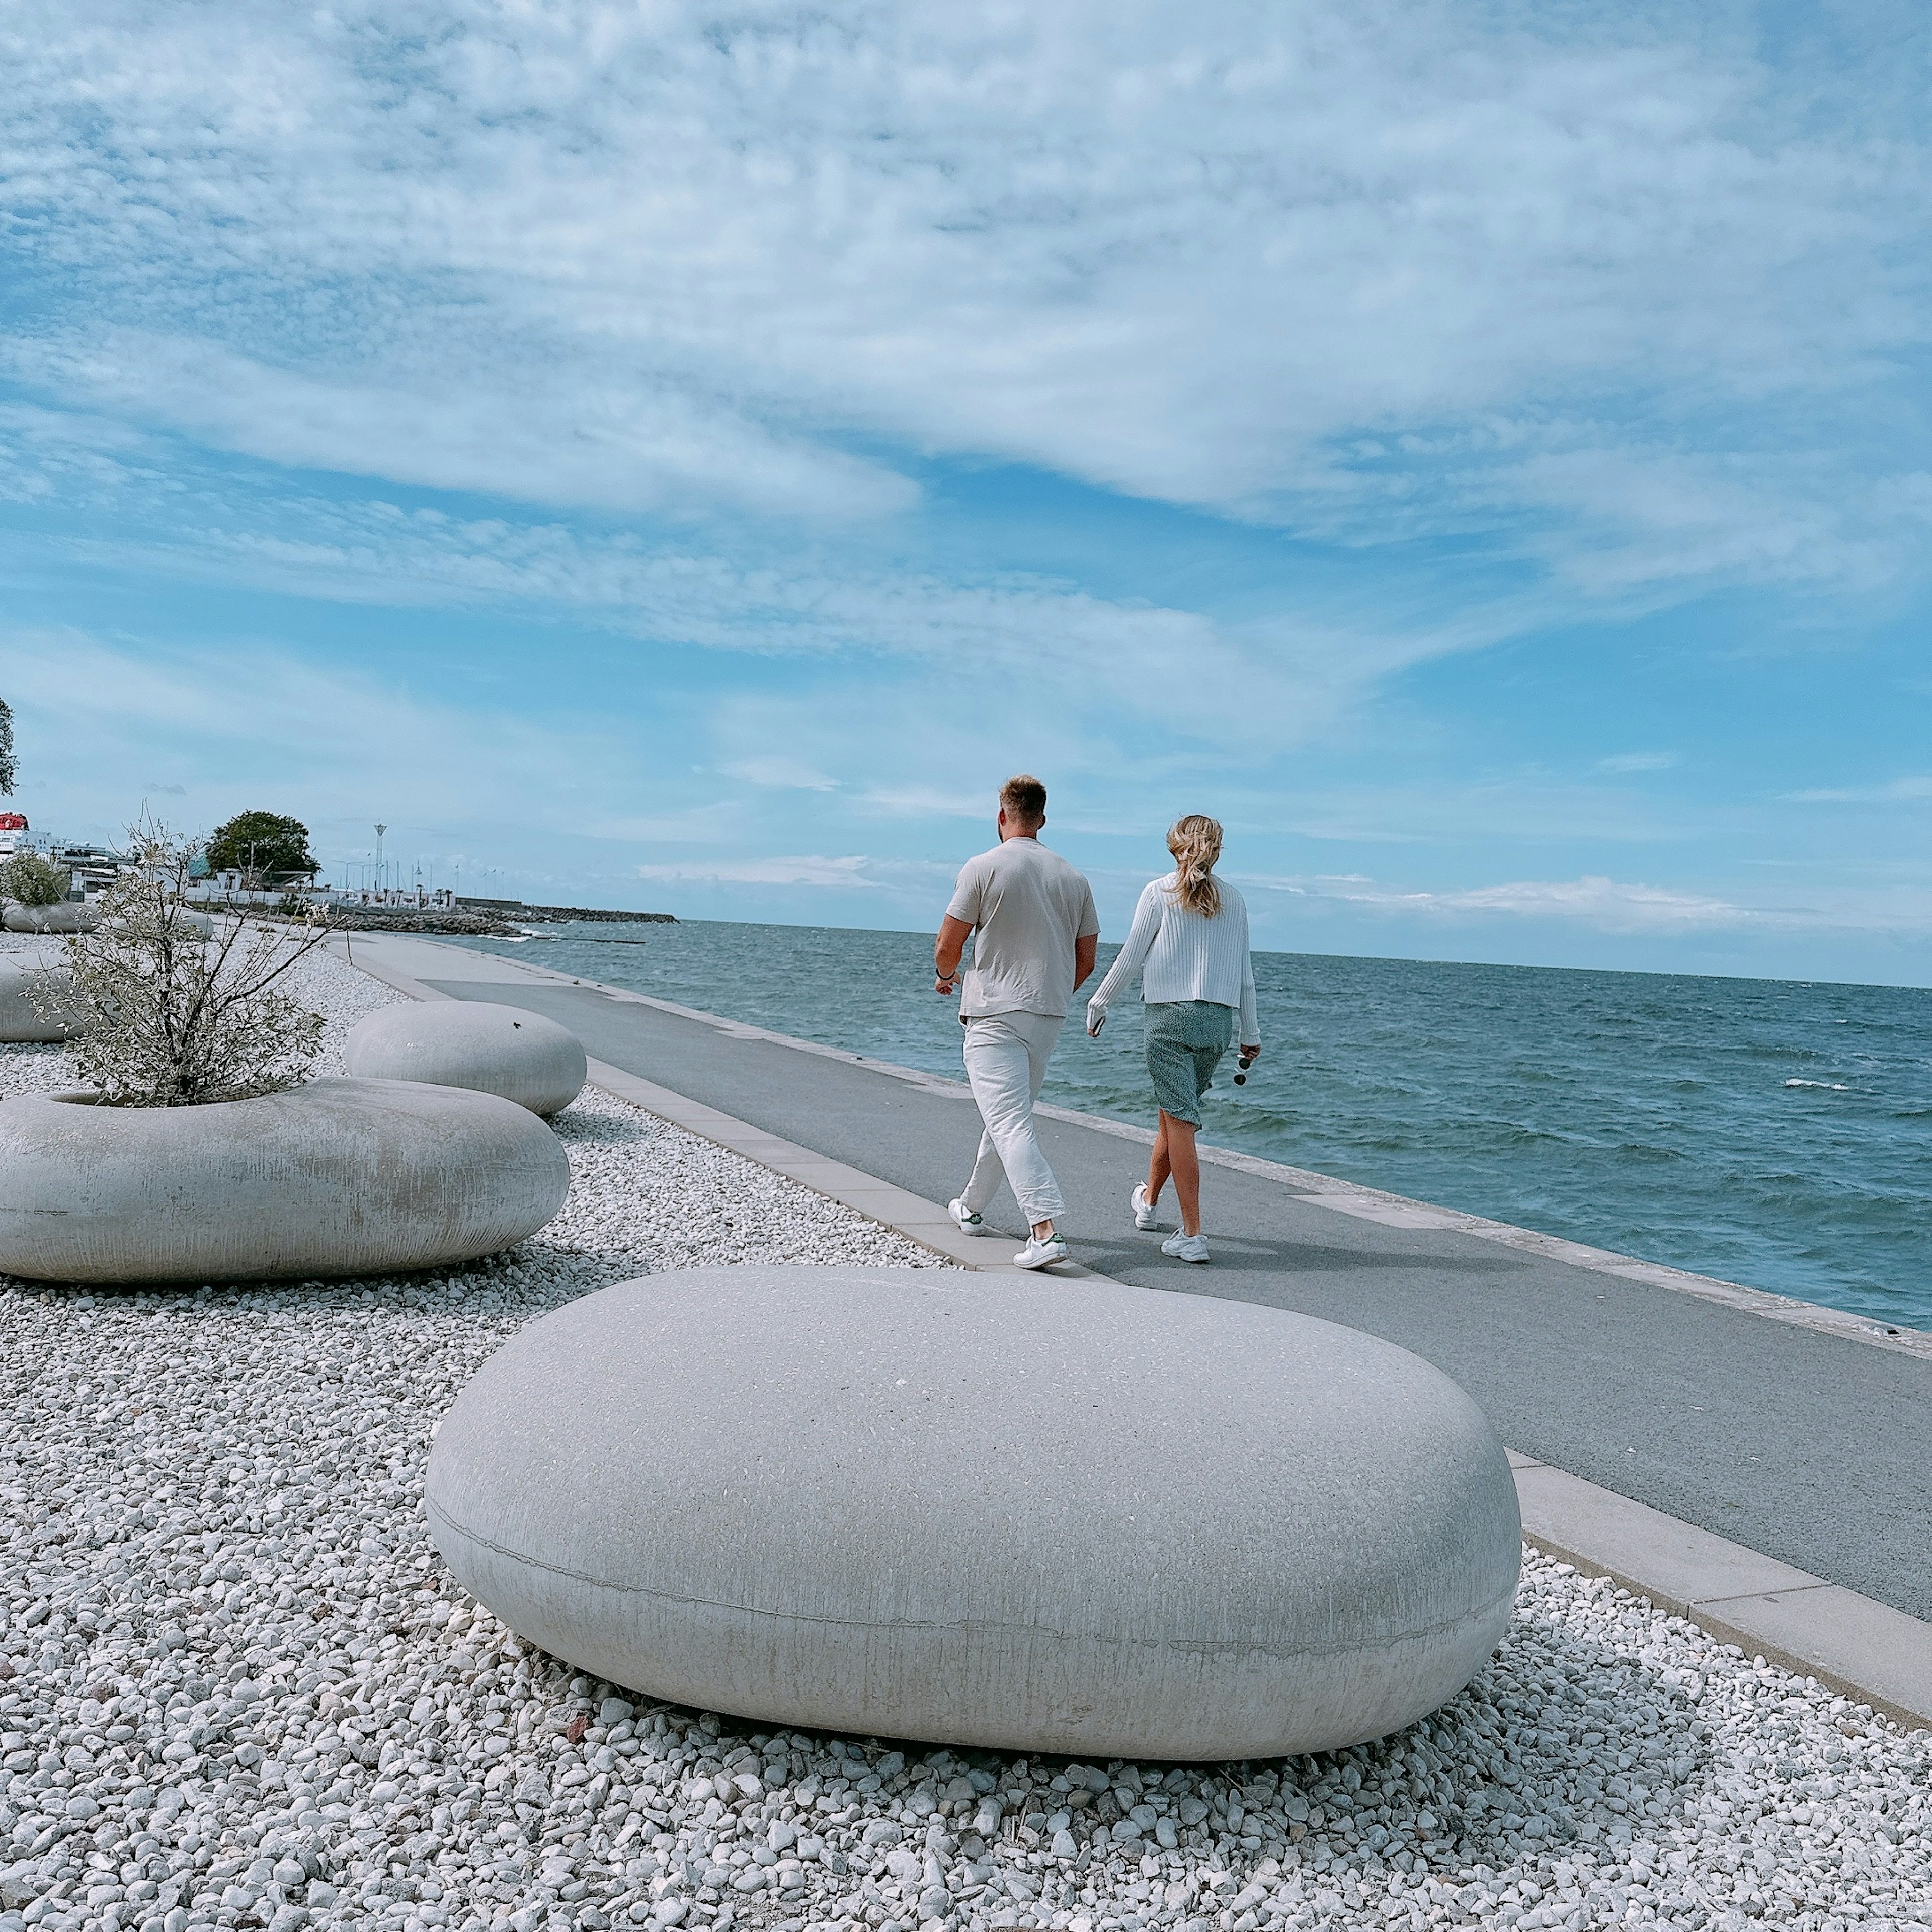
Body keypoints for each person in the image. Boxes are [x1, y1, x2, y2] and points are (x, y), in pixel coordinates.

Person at [934, 775, 1099, 1270]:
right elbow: (1086, 959)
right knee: (1009, 1117)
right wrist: (1047, 994)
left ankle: (1045, 1229)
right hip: (1047, 1015)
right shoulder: (1073, 878)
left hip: (993, 1014)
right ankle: (972, 1207)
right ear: (1042, 819)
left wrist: (946, 977)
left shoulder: (984, 867)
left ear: (1002, 816)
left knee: (1007, 1120)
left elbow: (948, 945)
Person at [1085, 814, 1258, 1264]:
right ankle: (1148, 1203)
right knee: (1173, 1114)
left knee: (1180, 1122)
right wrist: (1250, 1032)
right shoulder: (1235, 900)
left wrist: (1099, 1002)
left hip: (1169, 1020)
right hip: (1217, 1024)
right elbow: (1246, 976)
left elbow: (1132, 954)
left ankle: (1193, 1233)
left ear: (1174, 847)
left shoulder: (1158, 892)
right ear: (1216, 850)